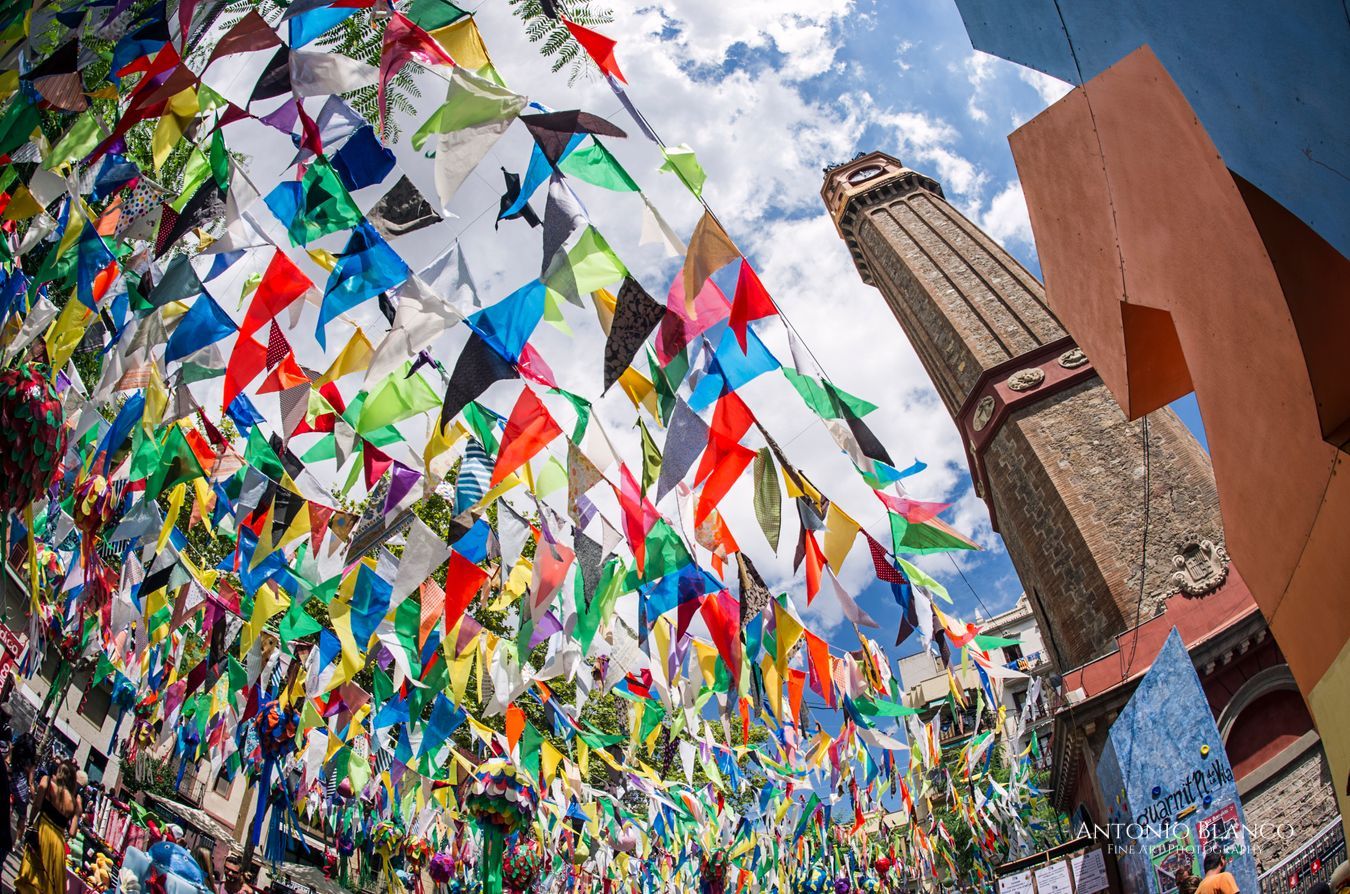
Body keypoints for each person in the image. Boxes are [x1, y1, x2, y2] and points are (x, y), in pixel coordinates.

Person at [15, 759, 83, 894]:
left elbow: (36, 805)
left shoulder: (48, 784)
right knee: (48, 883)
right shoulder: (76, 802)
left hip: (42, 832)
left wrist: (30, 822)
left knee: (31, 873)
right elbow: (73, 832)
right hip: (57, 843)